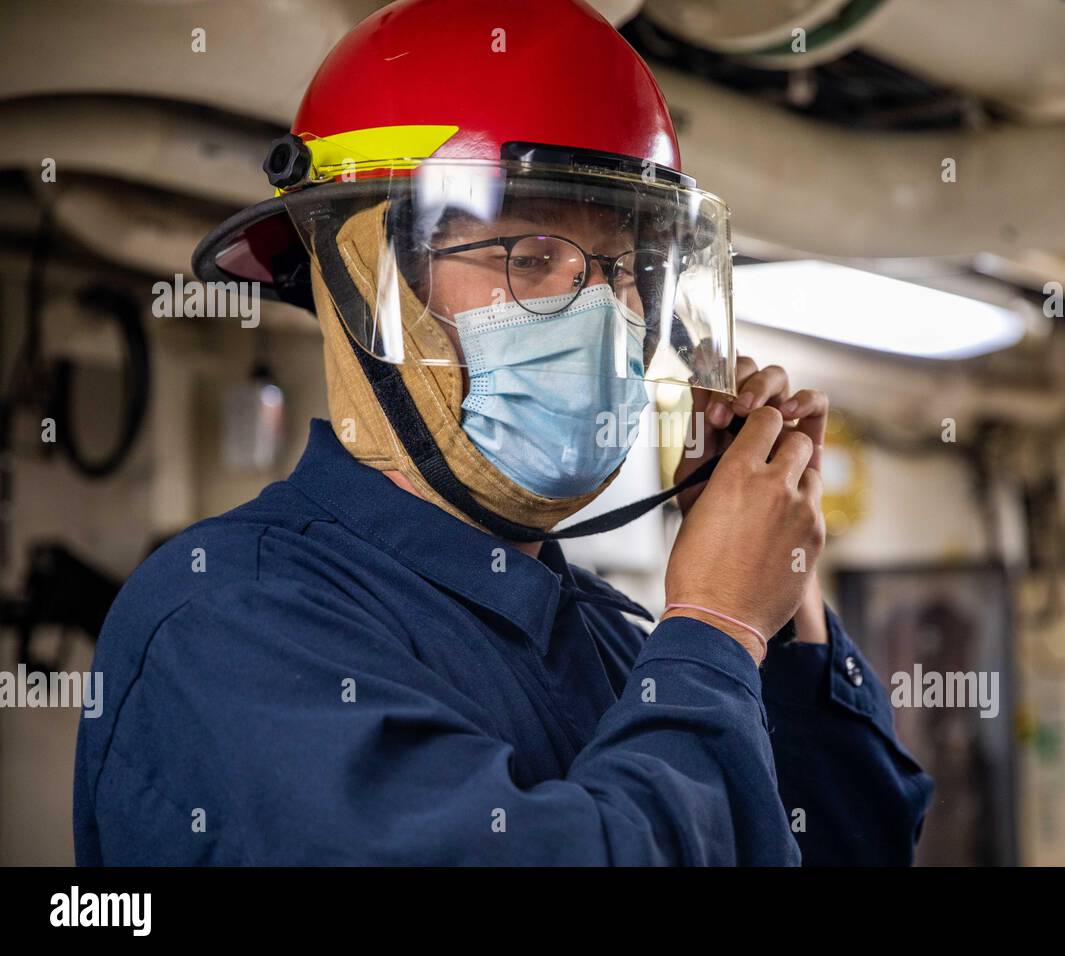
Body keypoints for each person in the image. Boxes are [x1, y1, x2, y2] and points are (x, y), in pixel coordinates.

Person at [74, 0, 933, 866]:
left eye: (630, 270)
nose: (603, 312)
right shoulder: (230, 624)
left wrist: (776, 601)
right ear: (369, 279)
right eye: (527, 258)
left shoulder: (605, 636)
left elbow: (846, 846)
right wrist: (715, 624)